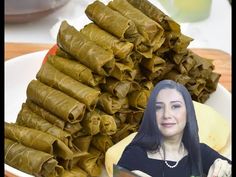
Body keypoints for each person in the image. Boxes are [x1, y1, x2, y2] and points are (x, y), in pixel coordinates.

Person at [117, 80, 231, 177]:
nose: (166, 115)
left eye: (175, 106)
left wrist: (226, 169)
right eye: (158, 107)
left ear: (187, 113)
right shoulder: (135, 155)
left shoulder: (200, 152)